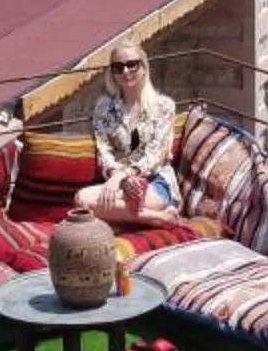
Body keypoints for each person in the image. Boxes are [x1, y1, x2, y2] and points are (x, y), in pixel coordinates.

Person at [79, 41, 187, 227]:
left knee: (92, 204)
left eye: (132, 65)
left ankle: (134, 212)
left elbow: (155, 155)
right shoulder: (104, 107)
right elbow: (103, 149)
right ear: (112, 74)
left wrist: (123, 176)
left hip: (154, 182)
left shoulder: (163, 107)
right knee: (81, 199)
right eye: (118, 67)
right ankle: (159, 218)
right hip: (119, 183)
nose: (126, 72)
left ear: (144, 67)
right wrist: (116, 175)